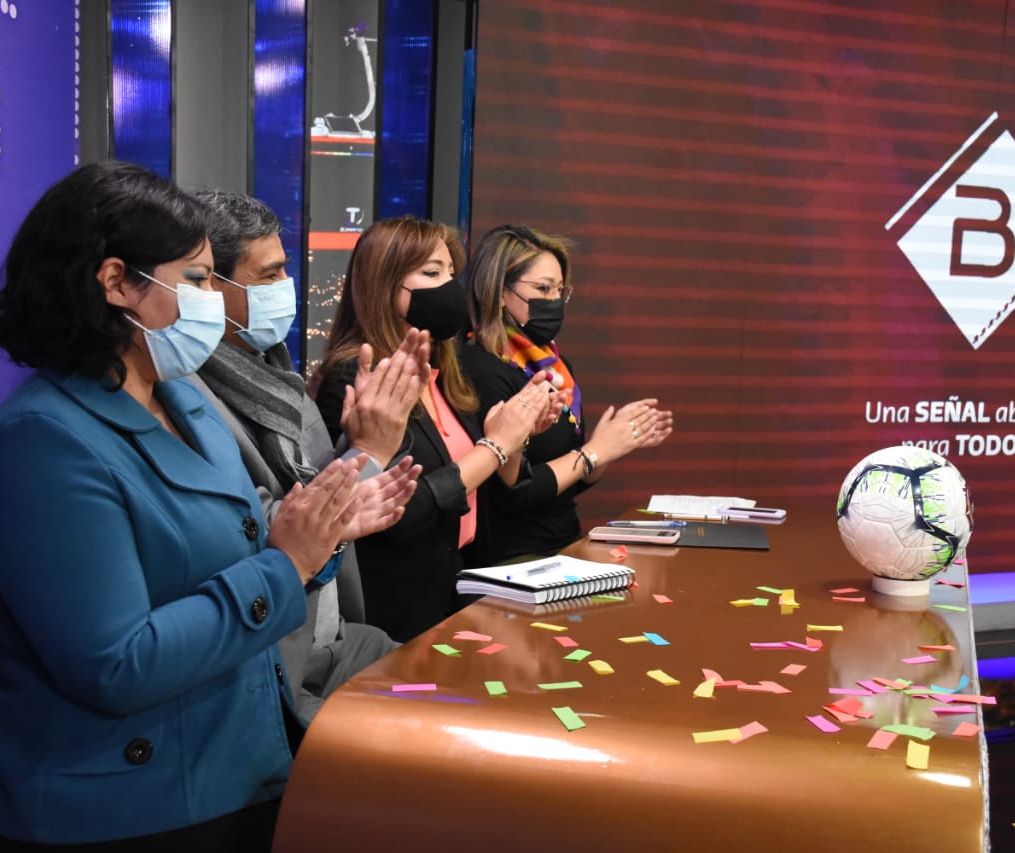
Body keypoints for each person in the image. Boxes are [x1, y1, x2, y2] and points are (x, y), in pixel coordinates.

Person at [0, 162, 368, 851]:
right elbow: (116, 664)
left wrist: (319, 539)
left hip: (236, 763)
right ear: (117, 282)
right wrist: (287, 562)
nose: (214, 301)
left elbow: (250, 554)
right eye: (199, 279)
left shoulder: (183, 402)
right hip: (122, 809)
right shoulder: (40, 443)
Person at [189, 190, 424, 722]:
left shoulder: (275, 371)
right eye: (267, 275)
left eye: (284, 270)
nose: (284, 286)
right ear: (212, 288)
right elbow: (261, 526)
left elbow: (318, 481)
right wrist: (368, 452)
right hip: (274, 660)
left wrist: (368, 440)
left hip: (337, 634)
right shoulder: (184, 389)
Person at [309, 216, 558, 642]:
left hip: (456, 587)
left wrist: (516, 435)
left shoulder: (447, 371)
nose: (449, 287)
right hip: (394, 608)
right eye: (431, 273)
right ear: (384, 284)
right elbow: (398, 511)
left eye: (450, 273)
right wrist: (495, 445)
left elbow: (497, 491)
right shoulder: (357, 376)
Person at [463, 225, 672, 563]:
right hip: (511, 556)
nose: (554, 301)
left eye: (560, 290)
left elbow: (572, 480)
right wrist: (594, 452)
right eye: (543, 288)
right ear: (500, 291)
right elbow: (512, 494)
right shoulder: (481, 367)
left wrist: (612, 444)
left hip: (565, 543)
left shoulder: (556, 365)